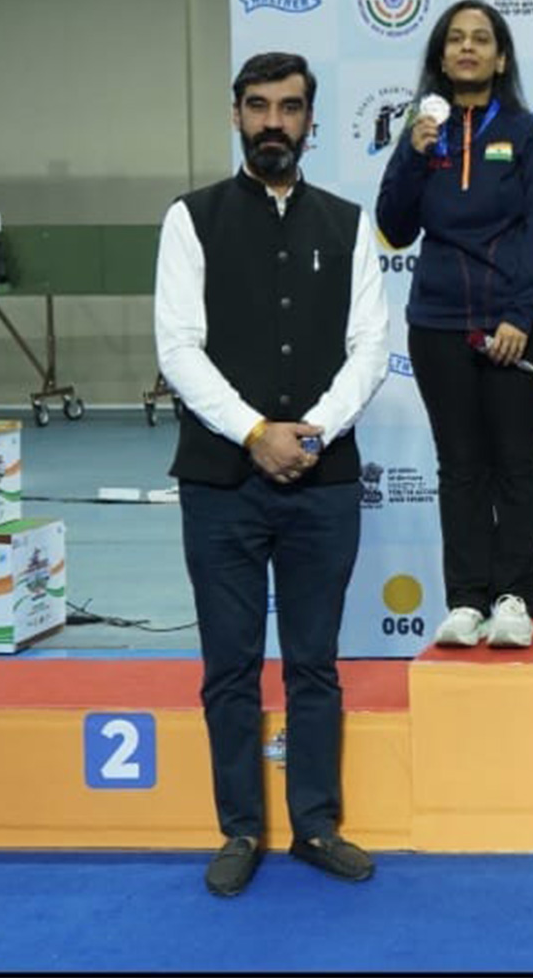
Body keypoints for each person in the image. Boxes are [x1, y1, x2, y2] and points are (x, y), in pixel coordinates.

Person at [155, 51, 390, 897]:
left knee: (314, 663)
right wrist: (255, 432)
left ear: (311, 122)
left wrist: (312, 432)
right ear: (236, 116)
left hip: (321, 482)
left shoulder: (350, 222)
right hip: (221, 482)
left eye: (289, 108)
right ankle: (241, 829)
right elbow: (177, 348)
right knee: (228, 663)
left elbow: (371, 347)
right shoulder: (191, 220)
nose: (273, 123)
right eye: (258, 107)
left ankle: (317, 826)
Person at [375, 0, 533, 650]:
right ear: (440, 56)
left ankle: (513, 600)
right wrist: (411, 154)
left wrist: (518, 315)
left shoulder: (526, 132)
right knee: (459, 467)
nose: (467, 48)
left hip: (520, 325)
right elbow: (395, 227)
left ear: (501, 56)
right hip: (438, 326)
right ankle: (465, 601)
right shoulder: (423, 134)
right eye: (455, 39)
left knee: (514, 465)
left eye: (481, 39)